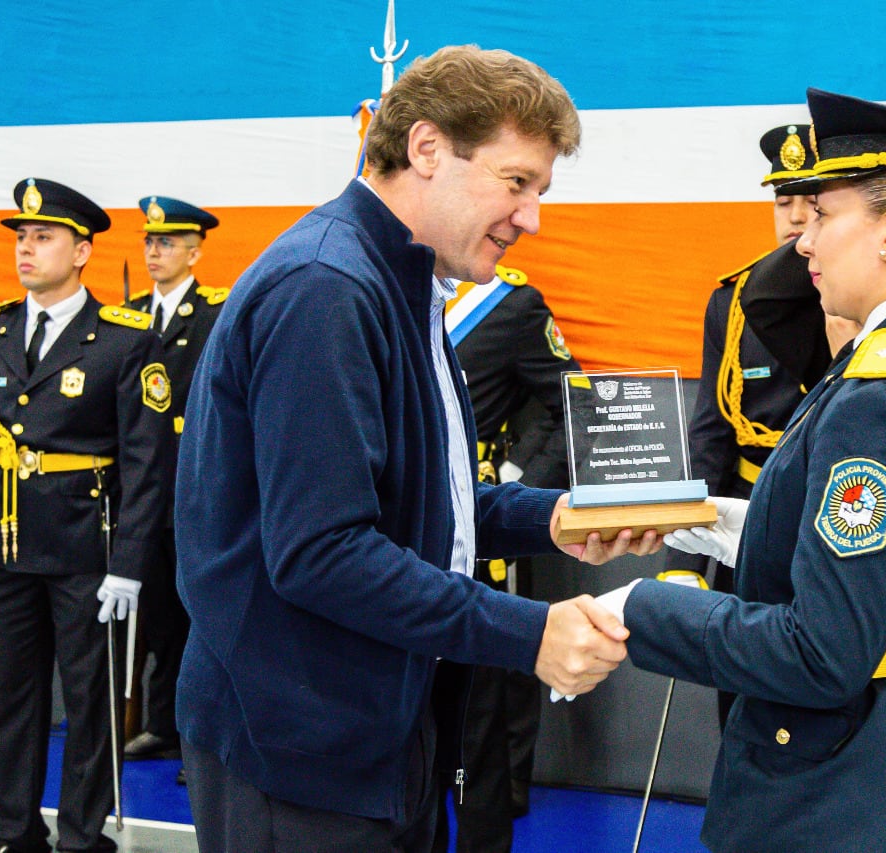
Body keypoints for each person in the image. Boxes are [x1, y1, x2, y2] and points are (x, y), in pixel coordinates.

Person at [174, 45, 658, 853]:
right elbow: (322, 551)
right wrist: (530, 632)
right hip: (299, 750)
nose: (532, 216)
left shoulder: (400, 281)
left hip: (373, 724)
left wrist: (560, 516)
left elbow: (423, 499)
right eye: (517, 182)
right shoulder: (327, 288)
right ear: (427, 149)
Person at [605, 90, 886, 850]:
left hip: (860, 786)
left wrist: (639, 610)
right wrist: (706, 524)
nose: (803, 239)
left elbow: (820, 653)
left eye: (826, 214)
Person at [0, 178, 174, 853]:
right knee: (7, 699)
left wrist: (131, 567)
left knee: (89, 703)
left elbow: (147, 465)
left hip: (89, 549)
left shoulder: (122, 340)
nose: (27, 250)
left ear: (83, 250)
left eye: (44, 237)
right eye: (21, 238)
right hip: (0, 544)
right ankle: (11, 830)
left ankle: (83, 836)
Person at [670, 124, 818, 726]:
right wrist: (681, 556)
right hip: (746, 518)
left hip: (834, 514)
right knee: (741, 701)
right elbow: (710, 431)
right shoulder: (735, 300)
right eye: (784, 201)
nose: (795, 217)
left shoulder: (866, 295)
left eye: (813, 200)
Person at [432, 263, 581, 851]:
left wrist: (523, 476)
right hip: (418, 515)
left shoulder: (512, 305)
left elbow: (569, 398)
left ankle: (503, 791)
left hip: (482, 509)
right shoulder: (405, 297)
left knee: (488, 687)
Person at [122, 197, 225, 784]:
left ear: (195, 250)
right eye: (149, 242)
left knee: (199, 617)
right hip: (144, 491)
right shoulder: (129, 318)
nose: (155, 252)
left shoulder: (215, 312)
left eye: (167, 242)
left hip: (197, 484)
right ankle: (162, 724)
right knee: (158, 618)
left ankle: (199, 738)